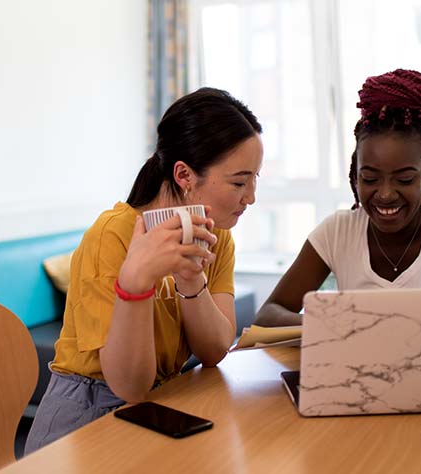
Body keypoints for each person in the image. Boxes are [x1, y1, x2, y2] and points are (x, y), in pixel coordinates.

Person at [24, 87, 263, 454]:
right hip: (87, 415)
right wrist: (134, 283)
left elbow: (215, 349)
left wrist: (191, 279)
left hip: (160, 402)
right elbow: (129, 385)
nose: (251, 197)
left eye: (254, 180)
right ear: (184, 174)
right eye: (239, 182)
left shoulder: (217, 235)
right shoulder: (113, 234)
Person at [252, 69, 421, 360]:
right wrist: (332, 326)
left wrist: (394, 332)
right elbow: (267, 316)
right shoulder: (337, 232)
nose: (385, 194)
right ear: (355, 176)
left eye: (404, 179)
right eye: (369, 179)